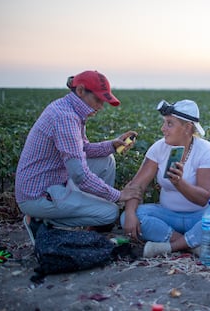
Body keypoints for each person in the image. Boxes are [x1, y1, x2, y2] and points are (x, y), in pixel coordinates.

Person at [15, 70, 142, 245]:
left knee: (107, 160)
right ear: (81, 91)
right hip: (39, 194)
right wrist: (118, 195)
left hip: (54, 180)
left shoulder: (68, 109)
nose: (100, 107)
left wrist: (113, 145)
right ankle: (40, 220)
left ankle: (92, 219)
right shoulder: (65, 117)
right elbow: (80, 176)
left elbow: (83, 148)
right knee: (110, 212)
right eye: (98, 100)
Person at [120, 99, 210, 258]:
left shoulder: (206, 151)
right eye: (164, 123)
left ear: (188, 128)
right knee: (130, 216)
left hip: (201, 216)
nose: (163, 129)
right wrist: (129, 213)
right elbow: (137, 186)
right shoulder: (159, 148)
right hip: (168, 216)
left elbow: (203, 198)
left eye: (169, 124)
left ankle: (169, 247)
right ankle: (191, 244)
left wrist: (180, 183)